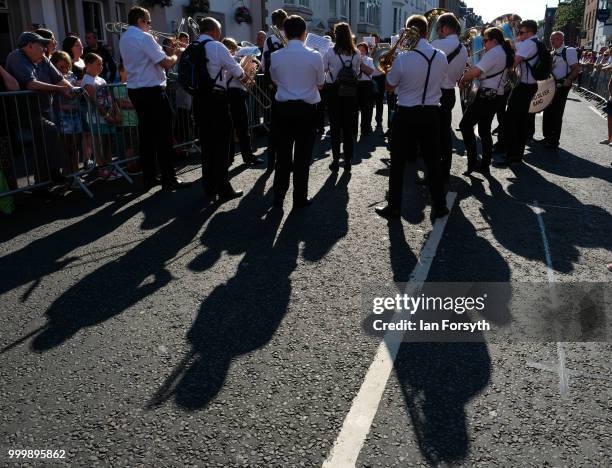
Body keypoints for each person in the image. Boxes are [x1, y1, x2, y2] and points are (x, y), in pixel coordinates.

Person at [375, 15, 449, 220]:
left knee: (397, 163)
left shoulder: (403, 58)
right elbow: (441, 80)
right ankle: (440, 205)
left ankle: (395, 208)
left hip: (406, 114)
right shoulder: (441, 56)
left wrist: (391, 71)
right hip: (432, 114)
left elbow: (389, 86)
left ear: (408, 32)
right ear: (426, 31)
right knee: (433, 161)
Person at [119, 6, 188, 191]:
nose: (150, 25)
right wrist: (176, 54)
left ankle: (149, 177)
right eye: (148, 22)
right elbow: (165, 63)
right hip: (152, 90)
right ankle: (169, 178)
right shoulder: (144, 37)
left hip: (136, 90)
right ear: (141, 21)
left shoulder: (125, 37)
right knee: (164, 135)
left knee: (147, 136)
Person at [269, 15, 324, 209]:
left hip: (283, 110)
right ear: (304, 34)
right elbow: (321, 83)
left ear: (284, 32)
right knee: (302, 157)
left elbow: (274, 80)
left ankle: (278, 197)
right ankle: (299, 198)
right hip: (307, 110)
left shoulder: (275, 56)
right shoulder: (315, 55)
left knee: (282, 156)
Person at [5, 31, 74, 185]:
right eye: (41, 45)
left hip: (42, 109)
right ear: (29, 46)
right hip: (25, 112)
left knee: (43, 144)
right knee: (49, 132)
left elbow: (60, 79)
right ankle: (53, 174)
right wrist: (61, 89)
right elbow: (31, 84)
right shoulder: (17, 57)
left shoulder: (42, 58)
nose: (44, 48)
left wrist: (71, 89)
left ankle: (45, 182)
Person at [191, 17, 248, 202]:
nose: (220, 34)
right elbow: (238, 72)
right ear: (214, 31)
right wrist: (247, 73)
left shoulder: (192, 47)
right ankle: (223, 187)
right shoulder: (217, 46)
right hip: (216, 100)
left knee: (207, 145)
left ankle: (208, 185)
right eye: (219, 31)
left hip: (199, 100)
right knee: (222, 145)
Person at [459, 27, 514, 176]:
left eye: (485, 40)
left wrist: (464, 78)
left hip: (486, 96)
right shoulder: (501, 51)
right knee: (484, 130)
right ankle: (484, 164)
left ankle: (473, 162)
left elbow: (476, 72)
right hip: (496, 96)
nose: (483, 43)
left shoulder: (495, 52)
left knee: (464, 126)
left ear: (494, 40)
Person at [494, 20, 541, 167]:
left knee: (514, 122)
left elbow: (514, 62)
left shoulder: (529, 44)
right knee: (518, 121)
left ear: (530, 32)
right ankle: (513, 154)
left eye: (521, 33)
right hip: (526, 86)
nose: (519, 35)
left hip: (524, 87)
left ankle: (513, 156)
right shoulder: (534, 42)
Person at [431, 12, 468, 184]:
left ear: (445, 27)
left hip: (434, 93)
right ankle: (444, 171)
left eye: (438, 28)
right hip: (449, 93)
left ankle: (433, 172)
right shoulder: (464, 49)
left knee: (431, 135)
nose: (437, 31)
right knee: (445, 134)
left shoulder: (437, 44)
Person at [323, 22, 362, 171]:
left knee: (335, 127)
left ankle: (335, 160)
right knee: (348, 127)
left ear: (335, 34)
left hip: (334, 92)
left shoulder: (330, 52)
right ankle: (348, 160)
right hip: (350, 93)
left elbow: (324, 69)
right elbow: (357, 72)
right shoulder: (356, 53)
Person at [221, 37, 263, 166]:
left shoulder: (231, 60)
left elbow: (247, 76)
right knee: (241, 127)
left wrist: (251, 71)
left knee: (233, 127)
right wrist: (248, 60)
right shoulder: (232, 60)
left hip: (234, 93)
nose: (237, 51)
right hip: (234, 94)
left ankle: (230, 158)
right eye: (235, 49)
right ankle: (247, 156)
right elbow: (241, 74)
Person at [82, 52, 120, 180]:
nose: (101, 67)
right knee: (98, 144)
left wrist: (115, 112)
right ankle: (102, 169)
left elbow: (110, 97)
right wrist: (106, 115)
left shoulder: (102, 79)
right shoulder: (87, 80)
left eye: (102, 64)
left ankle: (109, 167)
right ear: (88, 65)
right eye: (98, 64)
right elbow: (94, 100)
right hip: (96, 118)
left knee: (107, 143)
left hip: (106, 117)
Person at [541, 32, 581, 150]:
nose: (553, 41)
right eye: (551, 39)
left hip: (561, 85)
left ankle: (554, 140)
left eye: (556, 39)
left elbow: (576, 68)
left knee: (556, 113)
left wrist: (569, 79)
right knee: (547, 111)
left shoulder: (569, 51)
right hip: (550, 85)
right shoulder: (552, 52)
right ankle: (547, 136)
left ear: (562, 39)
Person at [262, 9, 288, 172]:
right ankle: (286, 161)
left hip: (275, 85)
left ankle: (271, 161)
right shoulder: (293, 37)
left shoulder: (270, 39)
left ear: (273, 23)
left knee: (276, 124)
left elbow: (264, 64)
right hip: (291, 85)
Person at [50, 50, 82, 176]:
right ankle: (68, 173)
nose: (65, 69)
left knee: (75, 146)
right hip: (62, 116)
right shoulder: (54, 79)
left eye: (67, 66)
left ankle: (75, 172)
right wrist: (64, 106)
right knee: (66, 146)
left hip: (75, 114)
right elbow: (55, 100)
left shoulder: (72, 76)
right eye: (61, 67)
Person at [356, 42, 375, 137]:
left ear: (366, 51)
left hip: (366, 85)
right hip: (356, 84)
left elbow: (371, 71)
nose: (361, 52)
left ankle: (365, 128)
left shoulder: (369, 60)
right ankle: (353, 129)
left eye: (363, 50)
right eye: (359, 50)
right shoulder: (353, 59)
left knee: (366, 108)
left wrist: (361, 64)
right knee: (354, 108)